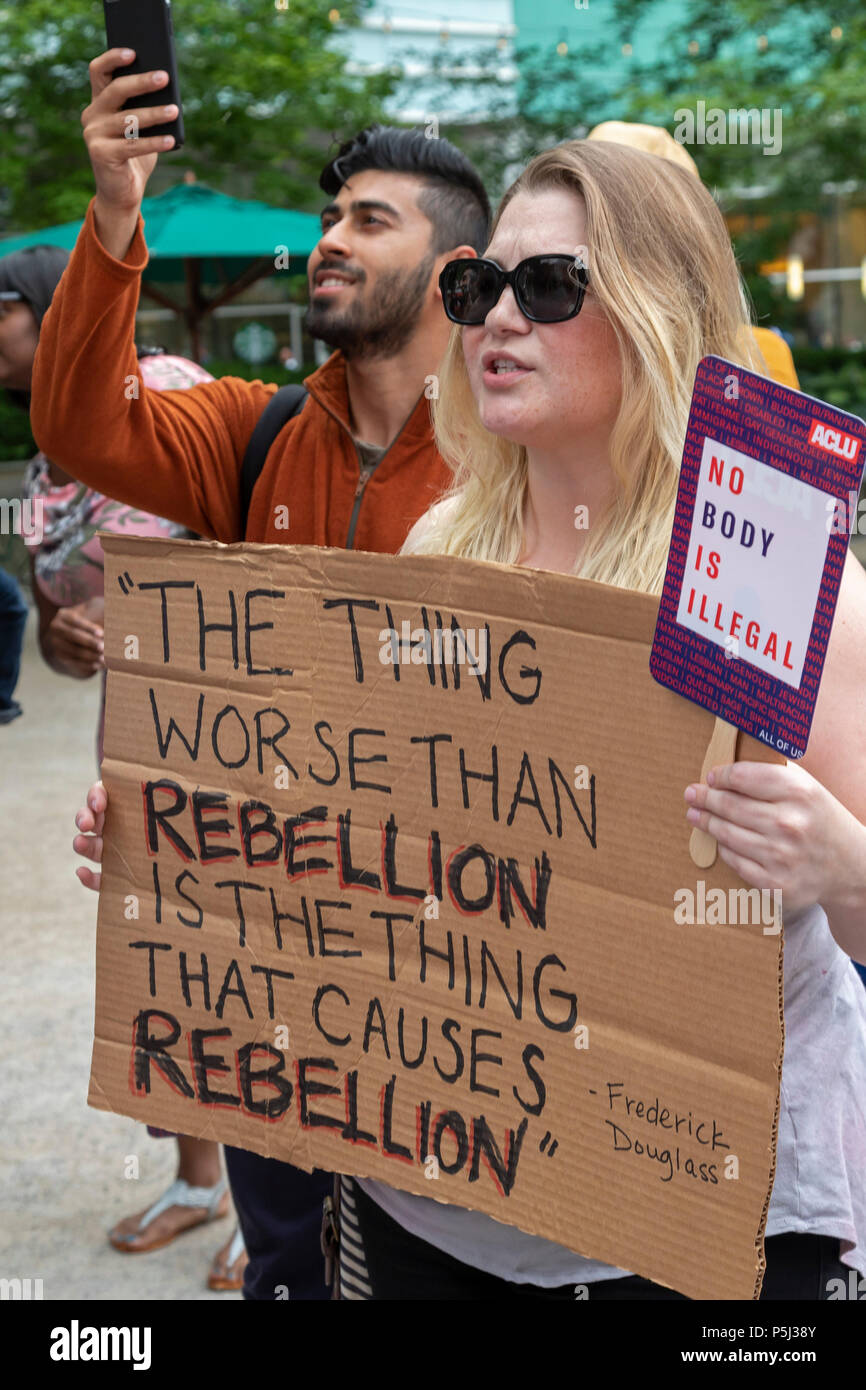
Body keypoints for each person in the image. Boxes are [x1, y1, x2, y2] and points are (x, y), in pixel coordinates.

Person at [342, 137, 866, 1299]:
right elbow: (383, 830)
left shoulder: (758, 567)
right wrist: (182, 838)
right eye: (477, 285)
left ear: (655, 311)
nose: (494, 320)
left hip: (693, 1217)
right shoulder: (440, 548)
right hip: (448, 1194)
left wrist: (836, 860)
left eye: (550, 286)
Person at [31, 46, 490, 1300]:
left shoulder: (521, 474)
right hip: (262, 981)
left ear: (454, 275)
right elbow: (80, 426)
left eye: (367, 221)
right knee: (290, 1258)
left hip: (450, 998)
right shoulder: (258, 426)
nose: (329, 239)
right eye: (330, 216)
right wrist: (115, 209)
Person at [0, 243, 246, 1291]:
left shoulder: (174, 395)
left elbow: (250, 543)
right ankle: (200, 1183)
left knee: (256, 951)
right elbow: (56, 618)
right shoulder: (51, 450)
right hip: (136, 745)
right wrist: (68, 640)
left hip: (237, 737)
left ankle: (280, 1197)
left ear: (52, 310)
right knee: (167, 960)